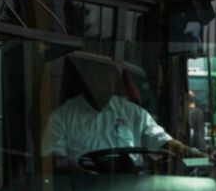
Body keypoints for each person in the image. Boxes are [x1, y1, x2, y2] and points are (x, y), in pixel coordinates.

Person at [42, 53, 201, 170]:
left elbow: (162, 141)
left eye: (110, 79)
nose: (106, 85)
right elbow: (51, 161)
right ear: (86, 81)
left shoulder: (134, 114)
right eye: (100, 79)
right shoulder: (62, 116)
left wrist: (189, 152)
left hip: (129, 189)